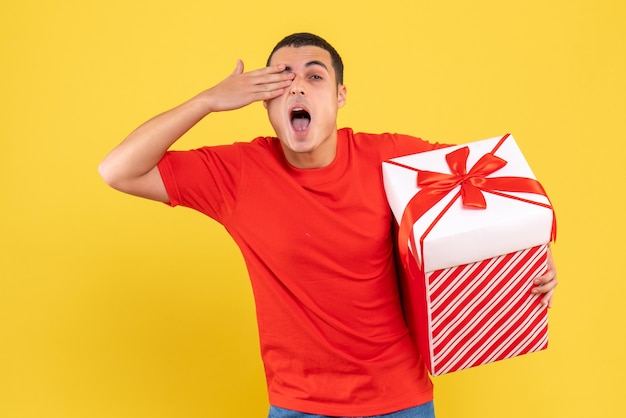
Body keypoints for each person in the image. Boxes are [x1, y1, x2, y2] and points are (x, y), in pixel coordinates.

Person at [99, 33, 558, 418]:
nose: (297, 89)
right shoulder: (237, 174)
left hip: (399, 401)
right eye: (281, 81)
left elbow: (492, 187)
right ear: (262, 100)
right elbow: (117, 170)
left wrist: (530, 257)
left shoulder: (390, 158)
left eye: (315, 77)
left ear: (340, 96)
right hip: (299, 405)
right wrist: (208, 101)